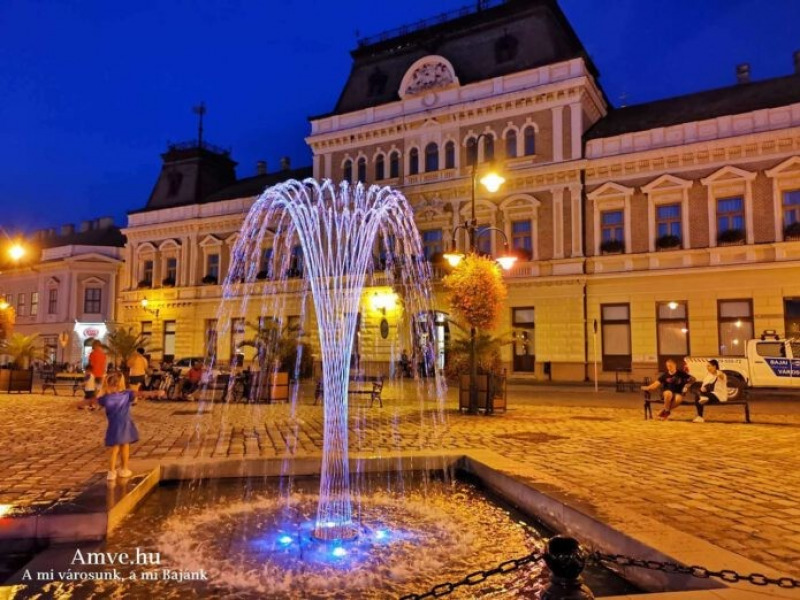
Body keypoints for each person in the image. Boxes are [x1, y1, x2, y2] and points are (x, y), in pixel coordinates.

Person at [97, 371, 164, 481]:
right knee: (125, 447)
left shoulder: (106, 397)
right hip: (125, 424)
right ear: (121, 383)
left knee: (114, 449)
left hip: (113, 425)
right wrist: (156, 392)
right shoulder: (127, 394)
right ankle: (124, 469)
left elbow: (97, 401)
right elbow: (142, 394)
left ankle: (111, 472)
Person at [79, 340, 108, 410]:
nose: (93, 347)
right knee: (97, 391)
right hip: (101, 375)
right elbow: (104, 365)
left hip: (94, 375)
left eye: (93, 345)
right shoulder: (103, 355)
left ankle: (91, 404)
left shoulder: (93, 354)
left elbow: (91, 364)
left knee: (91, 391)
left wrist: (88, 373)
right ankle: (96, 404)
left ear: (95, 345)